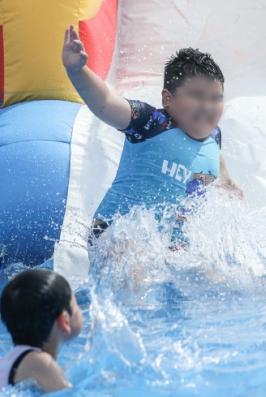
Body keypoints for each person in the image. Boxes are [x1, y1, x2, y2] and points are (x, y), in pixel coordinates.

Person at [61, 26, 243, 251]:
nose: (208, 106)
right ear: (168, 98)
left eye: (216, 98)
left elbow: (213, 155)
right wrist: (78, 71)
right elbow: (105, 102)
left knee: (210, 271)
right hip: (117, 234)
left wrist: (227, 182)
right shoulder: (151, 122)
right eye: (197, 96)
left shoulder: (214, 135)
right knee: (135, 256)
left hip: (172, 246)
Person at [0, 270, 83, 396]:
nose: (80, 311)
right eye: (77, 306)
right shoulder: (40, 363)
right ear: (64, 321)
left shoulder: (25, 359)